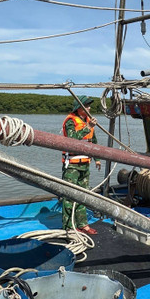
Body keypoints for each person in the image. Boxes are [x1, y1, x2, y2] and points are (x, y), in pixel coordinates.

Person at [60, 95, 102, 234]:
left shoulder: (89, 121)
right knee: (69, 196)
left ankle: (83, 224)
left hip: (85, 164)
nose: (89, 108)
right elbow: (72, 139)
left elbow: (93, 141)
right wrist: (87, 128)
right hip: (72, 165)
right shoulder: (70, 121)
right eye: (86, 106)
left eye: (89, 106)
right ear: (79, 108)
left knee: (83, 195)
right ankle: (68, 227)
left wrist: (97, 159)